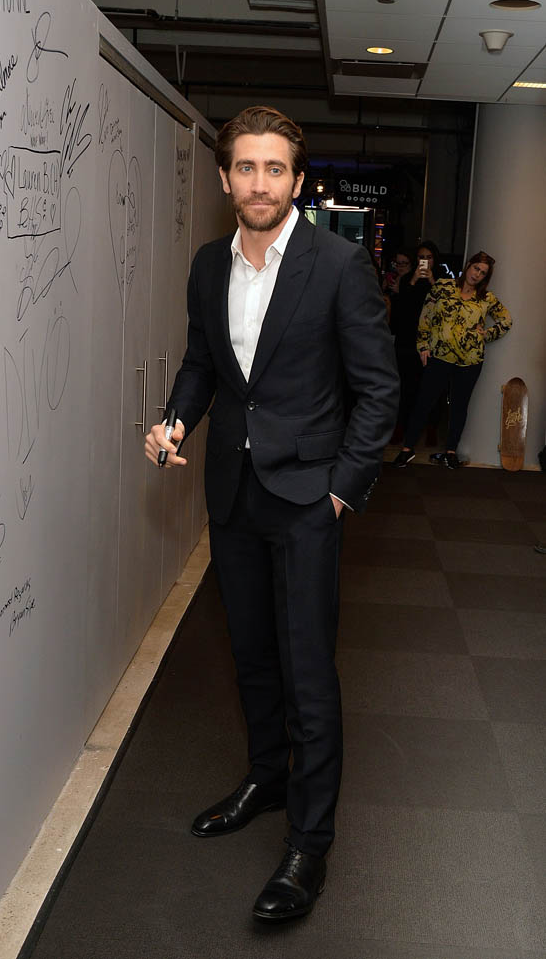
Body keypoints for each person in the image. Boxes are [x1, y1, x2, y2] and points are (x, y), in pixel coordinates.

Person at [145, 106, 399, 922]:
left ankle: (308, 845)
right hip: (231, 493)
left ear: (296, 179)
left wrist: (340, 490)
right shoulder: (207, 264)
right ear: (225, 178)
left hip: (306, 501)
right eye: (246, 168)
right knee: (250, 655)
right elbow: (201, 363)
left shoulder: (338, 265)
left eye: (275, 169)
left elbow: (378, 390)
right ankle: (265, 777)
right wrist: (175, 421)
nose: (260, 183)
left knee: (306, 673)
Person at [393, 251, 512, 469]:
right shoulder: (443, 286)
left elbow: (506, 320)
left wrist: (487, 333)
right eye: (476, 268)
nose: (477, 275)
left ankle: (450, 451)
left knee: (459, 406)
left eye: (483, 273)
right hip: (439, 356)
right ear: (468, 266)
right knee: (423, 402)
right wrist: (423, 345)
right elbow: (426, 315)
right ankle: (407, 448)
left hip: (470, 361)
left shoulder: (486, 298)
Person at [389, 241, 442, 443]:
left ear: (434, 260)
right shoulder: (406, 280)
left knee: (430, 387)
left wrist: (432, 281)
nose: (425, 261)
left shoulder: (442, 281)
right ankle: (400, 427)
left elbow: (444, 308)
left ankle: (431, 428)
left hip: (431, 342)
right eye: (421, 257)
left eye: (429, 258)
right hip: (407, 341)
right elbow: (402, 309)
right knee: (405, 387)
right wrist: (412, 280)